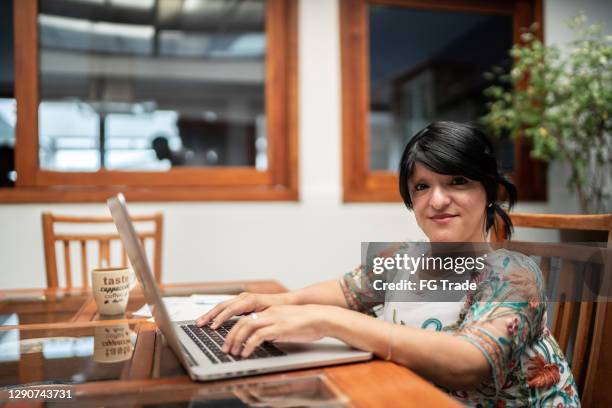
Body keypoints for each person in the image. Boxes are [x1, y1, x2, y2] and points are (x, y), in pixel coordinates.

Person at [196, 122, 579, 407]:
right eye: (422, 186)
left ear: (489, 191)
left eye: (457, 181)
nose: (438, 200)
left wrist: (331, 321)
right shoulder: (402, 258)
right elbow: (345, 291)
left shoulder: (514, 274)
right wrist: (272, 301)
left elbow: (469, 362)